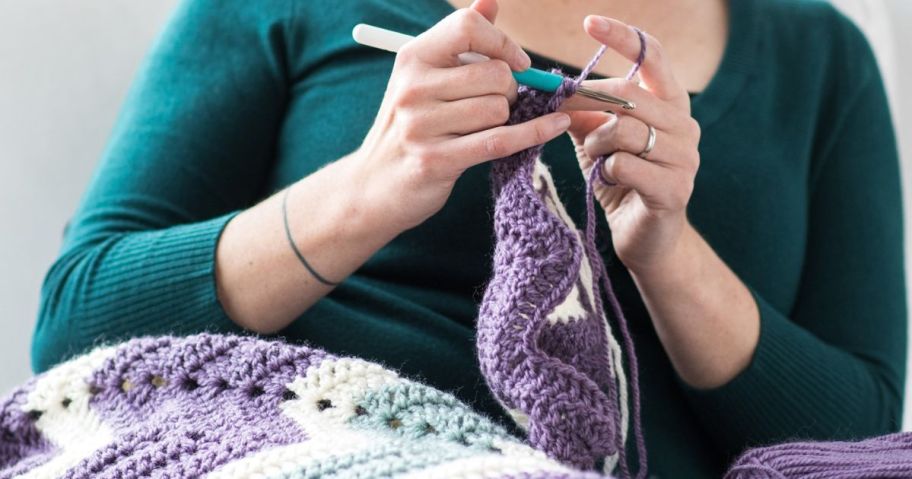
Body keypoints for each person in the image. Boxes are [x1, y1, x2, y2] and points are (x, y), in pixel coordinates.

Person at [31, 0, 905, 476]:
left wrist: (665, 248)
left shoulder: (817, 54)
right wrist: (370, 190)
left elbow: (856, 436)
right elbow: (78, 319)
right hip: (303, 435)